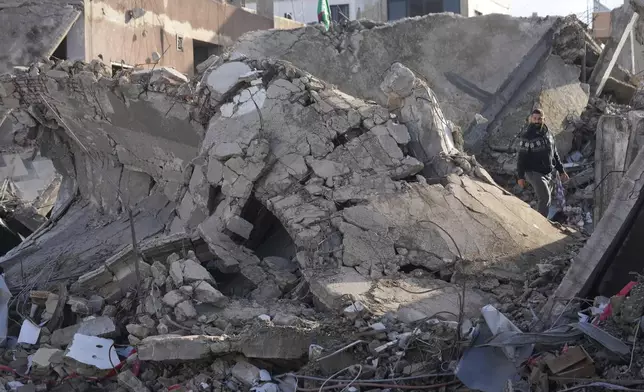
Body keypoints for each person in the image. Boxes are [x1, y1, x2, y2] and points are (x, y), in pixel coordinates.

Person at [517, 109, 569, 217]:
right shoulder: (527, 137)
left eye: (539, 119)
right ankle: (540, 223)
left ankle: (538, 218)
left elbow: (555, 154)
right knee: (545, 197)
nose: (537, 121)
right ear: (531, 119)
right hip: (533, 172)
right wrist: (520, 177)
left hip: (547, 173)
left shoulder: (548, 135)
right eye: (535, 118)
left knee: (547, 198)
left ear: (543, 120)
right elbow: (521, 158)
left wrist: (561, 170)